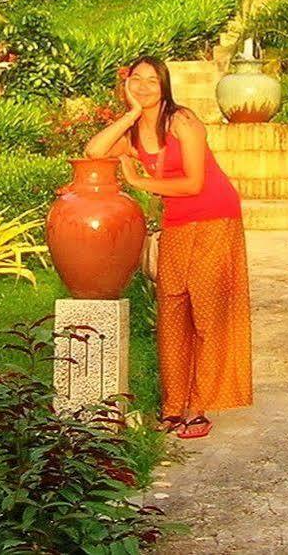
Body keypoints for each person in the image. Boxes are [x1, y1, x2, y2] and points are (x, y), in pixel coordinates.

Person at [84, 55, 252, 438]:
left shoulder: (183, 121)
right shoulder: (135, 132)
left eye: (152, 81)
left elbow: (193, 183)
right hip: (177, 223)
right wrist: (129, 114)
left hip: (215, 217)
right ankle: (173, 406)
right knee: (172, 310)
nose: (144, 87)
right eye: (136, 80)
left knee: (206, 311)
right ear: (127, 85)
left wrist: (140, 183)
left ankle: (198, 406)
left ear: (165, 86)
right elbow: (95, 151)